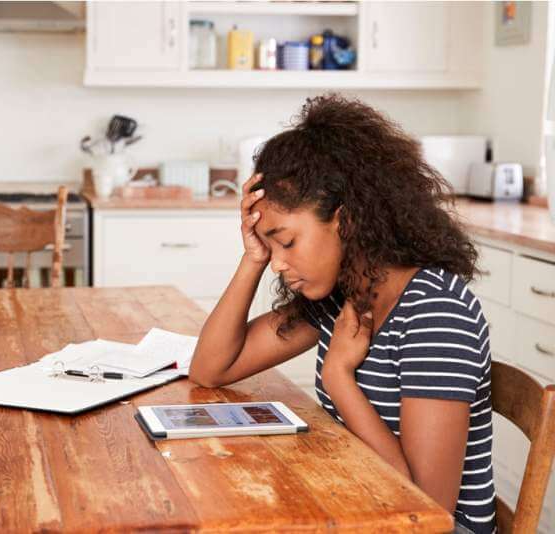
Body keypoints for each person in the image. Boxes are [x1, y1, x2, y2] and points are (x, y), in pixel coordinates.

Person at [188, 93, 495, 534]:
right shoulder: (344, 297)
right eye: (270, 247)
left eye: (287, 242)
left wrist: (337, 377)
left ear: (346, 222)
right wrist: (253, 258)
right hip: (362, 505)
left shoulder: (436, 313)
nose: (278, 262)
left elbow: (428, 511)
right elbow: (211, 368)